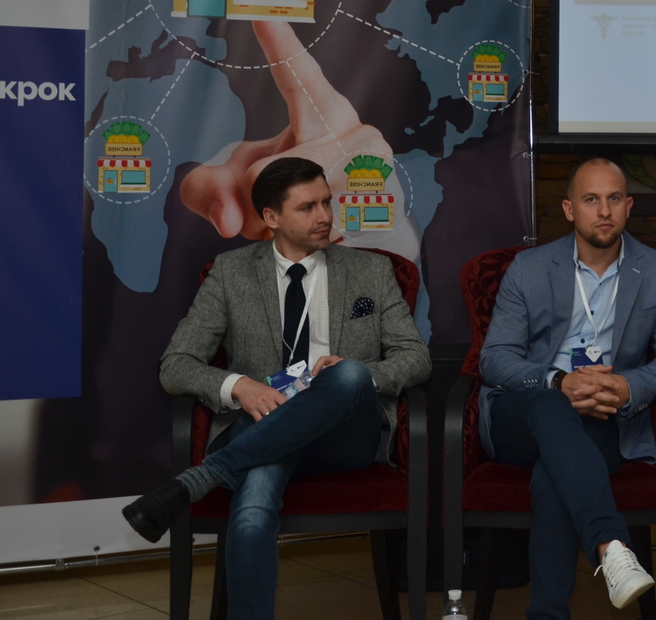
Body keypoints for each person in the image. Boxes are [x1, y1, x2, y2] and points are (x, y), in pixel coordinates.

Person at [121, 156, 432, 620]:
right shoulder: (231, 273)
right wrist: (239, 386)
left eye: (326, 202)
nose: (324, 216)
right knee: (252, 508)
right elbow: (176, 365)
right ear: (271, 217)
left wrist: (359, 375)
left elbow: (416, 358)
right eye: (307, 207)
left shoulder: (369, 271)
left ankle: (200, 478)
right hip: (263, 425)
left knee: (347, 375)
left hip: (345, 435)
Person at [478, 157, 656, 619]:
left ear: (629, 206)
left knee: (553, 476)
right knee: (551, 407)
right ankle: (611, 543)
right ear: (569, 209)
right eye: (591, 199)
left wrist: (627, 385)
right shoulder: (530, 267)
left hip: (603, 416)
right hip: (524, 412)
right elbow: (494, 359)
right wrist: (558, 381)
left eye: (614, 199)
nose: (603, 210)